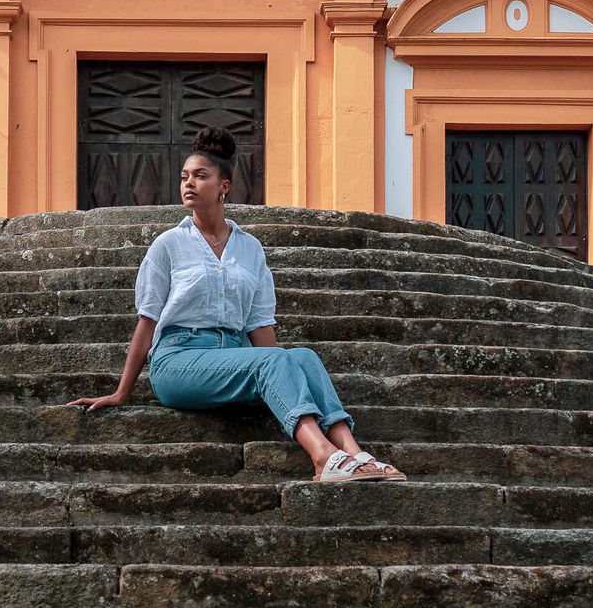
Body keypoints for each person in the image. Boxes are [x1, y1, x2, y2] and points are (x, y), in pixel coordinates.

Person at [69, 125, 408, 483]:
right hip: (178, 361)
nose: (189, 183)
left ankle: (355, 453)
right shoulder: (168, 245)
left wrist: (283, 373)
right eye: (185, 177)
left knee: (303, 357)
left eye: (201, 176)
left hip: (233, 357)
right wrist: (122, 392)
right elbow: (148, 320)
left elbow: (260, 327)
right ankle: (323, 456)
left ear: (224, 187)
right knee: (275, 360)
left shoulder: (250, 248)